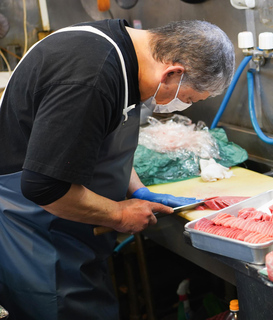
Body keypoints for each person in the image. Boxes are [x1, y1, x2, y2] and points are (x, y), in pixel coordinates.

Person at [0, 18, 235, 320]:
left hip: (75, 229)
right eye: (188, 98)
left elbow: (101, 144)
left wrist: (136, 189)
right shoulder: (90, 74)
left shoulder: (129, 59)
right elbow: (44, 186)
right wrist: (119, 214)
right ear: (172, 72)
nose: (182, 105)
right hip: (39, 235)